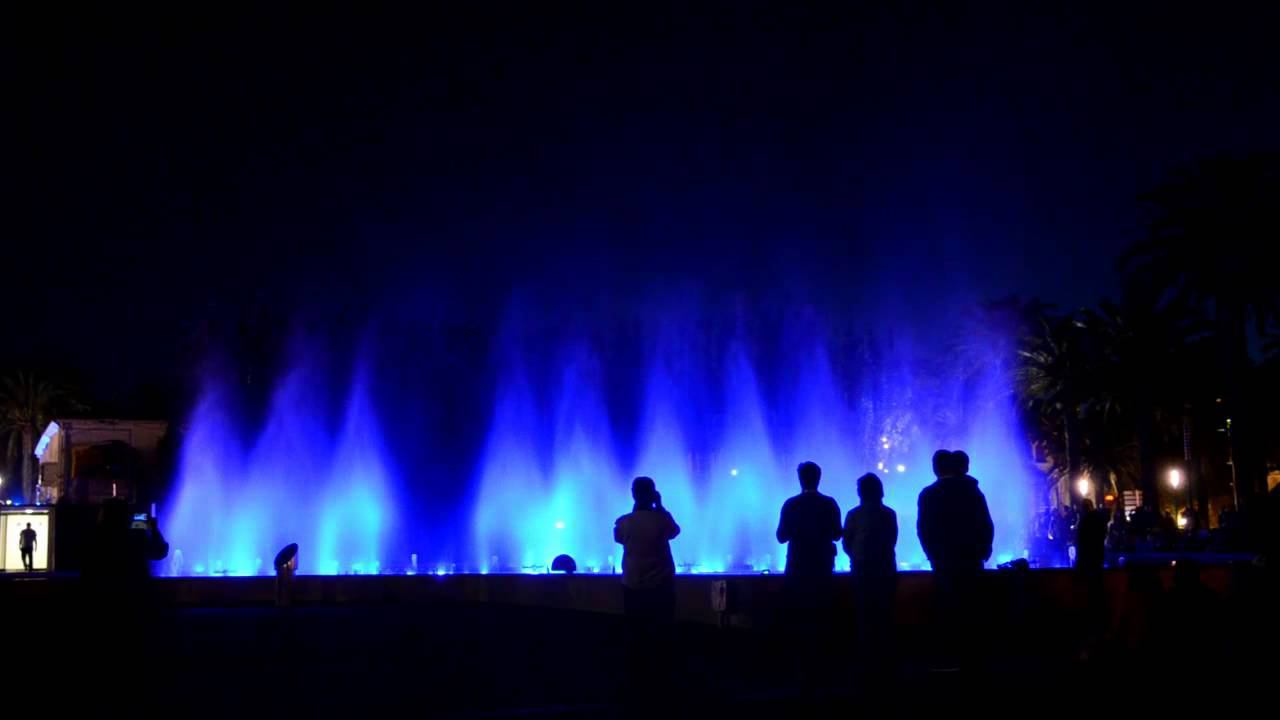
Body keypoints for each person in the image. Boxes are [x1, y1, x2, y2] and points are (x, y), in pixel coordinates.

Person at [916, 449, 994, 668]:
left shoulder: (928, 494)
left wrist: (932, 555)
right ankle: (975, 658)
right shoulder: (972, 491)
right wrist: (984, 548)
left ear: (936, 468)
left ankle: (951, 657)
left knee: (948, 605)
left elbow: (923, 529)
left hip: (944, 560)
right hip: (971, 557)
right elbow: (985, 522)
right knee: (972, 605)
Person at [613, 476, 680, 704]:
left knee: (635, 635)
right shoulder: (662, 520)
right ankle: (663, 683)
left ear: (633, 494)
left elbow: (619, 538)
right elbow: (675, 532)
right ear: (653, 493)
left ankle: (636, 684)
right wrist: (659, 505)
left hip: (633, 585)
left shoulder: (624, 522)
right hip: (661, 585)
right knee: (662, 635)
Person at [776, 461, 842, 687]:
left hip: (797, 567)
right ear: (819, 478)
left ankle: (799, 670)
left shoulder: (791, 504)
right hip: (822, 566)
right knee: (821, 615)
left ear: (800, 479)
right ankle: (823, 668)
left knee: (798, 616)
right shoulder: (829, 503)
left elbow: (781, 536)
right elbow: (836, 534)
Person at [842, 472, 897, 671]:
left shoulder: (853, 514)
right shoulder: (889, 513)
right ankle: (886, 658)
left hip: (862, 569)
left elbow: (846, 542)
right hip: (885, 568)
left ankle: (866, 659)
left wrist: (856, 557)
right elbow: (892, 540)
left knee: (864, 614)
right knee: (884, 613)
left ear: (861, 492)